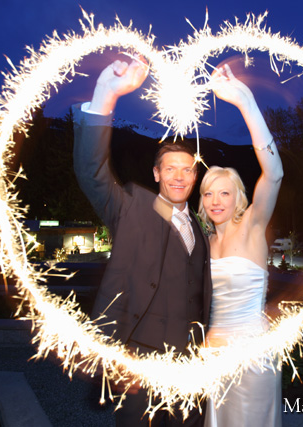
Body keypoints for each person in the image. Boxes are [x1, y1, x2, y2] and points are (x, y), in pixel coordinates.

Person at [73, 58, 212, 427]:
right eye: (170, 169)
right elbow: (92, 172)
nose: (179, 177)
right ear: (156, 173)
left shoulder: (202, 228)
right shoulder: (132, 208)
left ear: (195, 175)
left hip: (189, 368)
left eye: (187, 169)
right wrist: (106, 95)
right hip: (138, 364)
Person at [198, 64, 284, 427]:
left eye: (224, 193)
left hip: (252, 355)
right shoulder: (204, 242)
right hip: (212, 355)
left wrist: (244, 102)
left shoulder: (252, 226)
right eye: (208, 193)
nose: (216, 201)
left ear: (238, 198)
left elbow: (274, 172)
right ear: (200, 201)